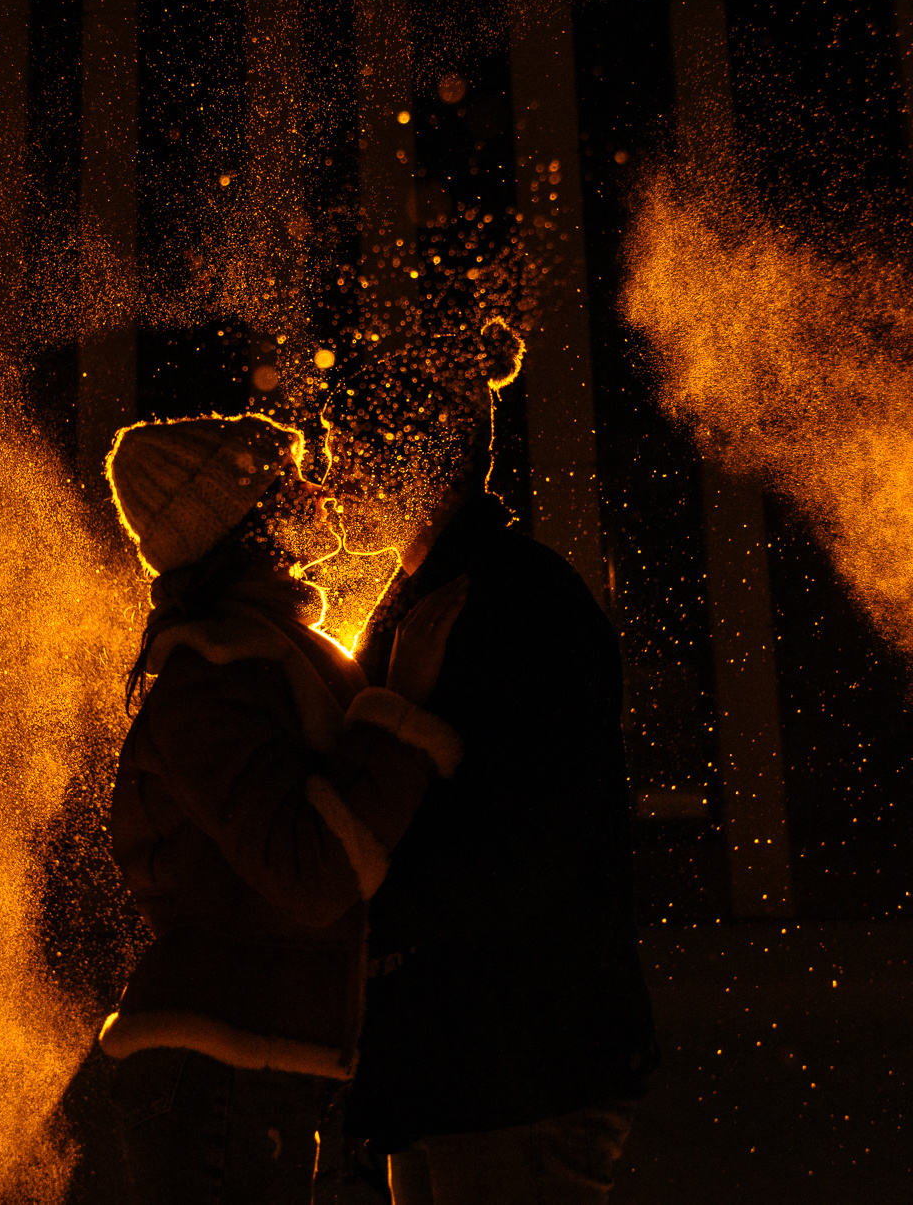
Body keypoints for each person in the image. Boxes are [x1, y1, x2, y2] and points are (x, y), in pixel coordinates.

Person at [319, 324, 658, 1204]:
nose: (327, 483)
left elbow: (522, 846)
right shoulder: (445, 599)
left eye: (343, 452)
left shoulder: (508, 599)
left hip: (515, 1058)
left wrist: (382, 910)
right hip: (474, 1058)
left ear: (408, 457)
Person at [101, 413, 472, 1205]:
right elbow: (310, 873)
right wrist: (399, 712)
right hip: (222, 1078)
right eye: (288, 478)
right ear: (245, 521)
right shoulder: (214, 676)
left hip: (259, 1072)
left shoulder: (271, 653)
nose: (319, 489)